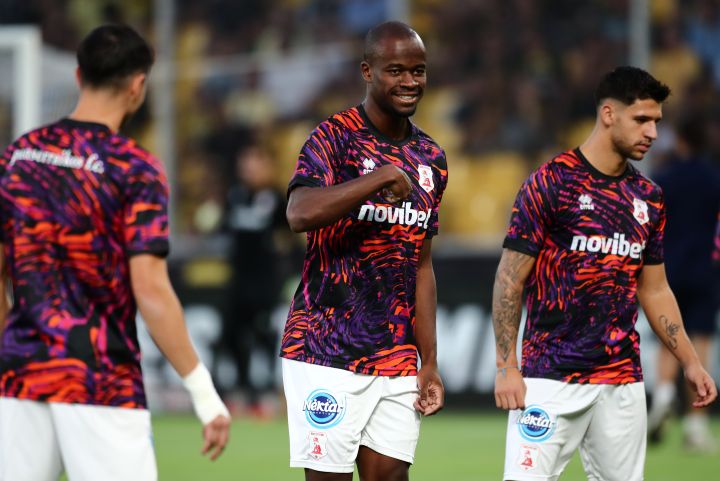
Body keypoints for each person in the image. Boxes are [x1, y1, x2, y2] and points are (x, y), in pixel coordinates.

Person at [0, 25, 230, 481]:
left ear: (78, 75)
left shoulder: (17, 157)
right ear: (138, 85)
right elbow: (151, 290)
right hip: (100, 379)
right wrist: (204, 394)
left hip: (20, 375)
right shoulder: (134, 168)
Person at [492, 66, 717, 481]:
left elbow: (655, 289)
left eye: (657, 121)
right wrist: (507, 366)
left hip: (622, 380)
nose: (653, 132)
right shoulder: (551, 183)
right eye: (642, 119)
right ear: (608, 114)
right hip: (549, 377)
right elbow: (509, 279)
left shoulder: (648, 198)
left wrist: (690, 362)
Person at [280, 21, 447, 481]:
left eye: (418, 70)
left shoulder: (432, 158)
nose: (410, 81)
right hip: (325, 346)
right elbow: (298, 212)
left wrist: (430, 361)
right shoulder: (333, 138)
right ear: (367, 71)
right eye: (396, 70)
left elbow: (422, 265)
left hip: (395, 351)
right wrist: (378, 179)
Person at [646, 117, 720, 452]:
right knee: (700, 341)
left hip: (667, 271)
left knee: (668, 336)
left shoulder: (663, 179)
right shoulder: (714, 179)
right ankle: (695, 424)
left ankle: (663, 395)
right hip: (706, 269)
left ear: (681, 142)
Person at [221, 143, 287, 414]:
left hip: (265, 283)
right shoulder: (234, 196)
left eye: (254, 164)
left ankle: (268, 392)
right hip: (238, 281)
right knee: (233, 335)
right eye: (244, 164)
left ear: (267, 166)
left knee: (265, 336)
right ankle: (241, 388)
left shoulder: (278, 199)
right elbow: (223, 230)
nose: (248, 170)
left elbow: (291, 239)